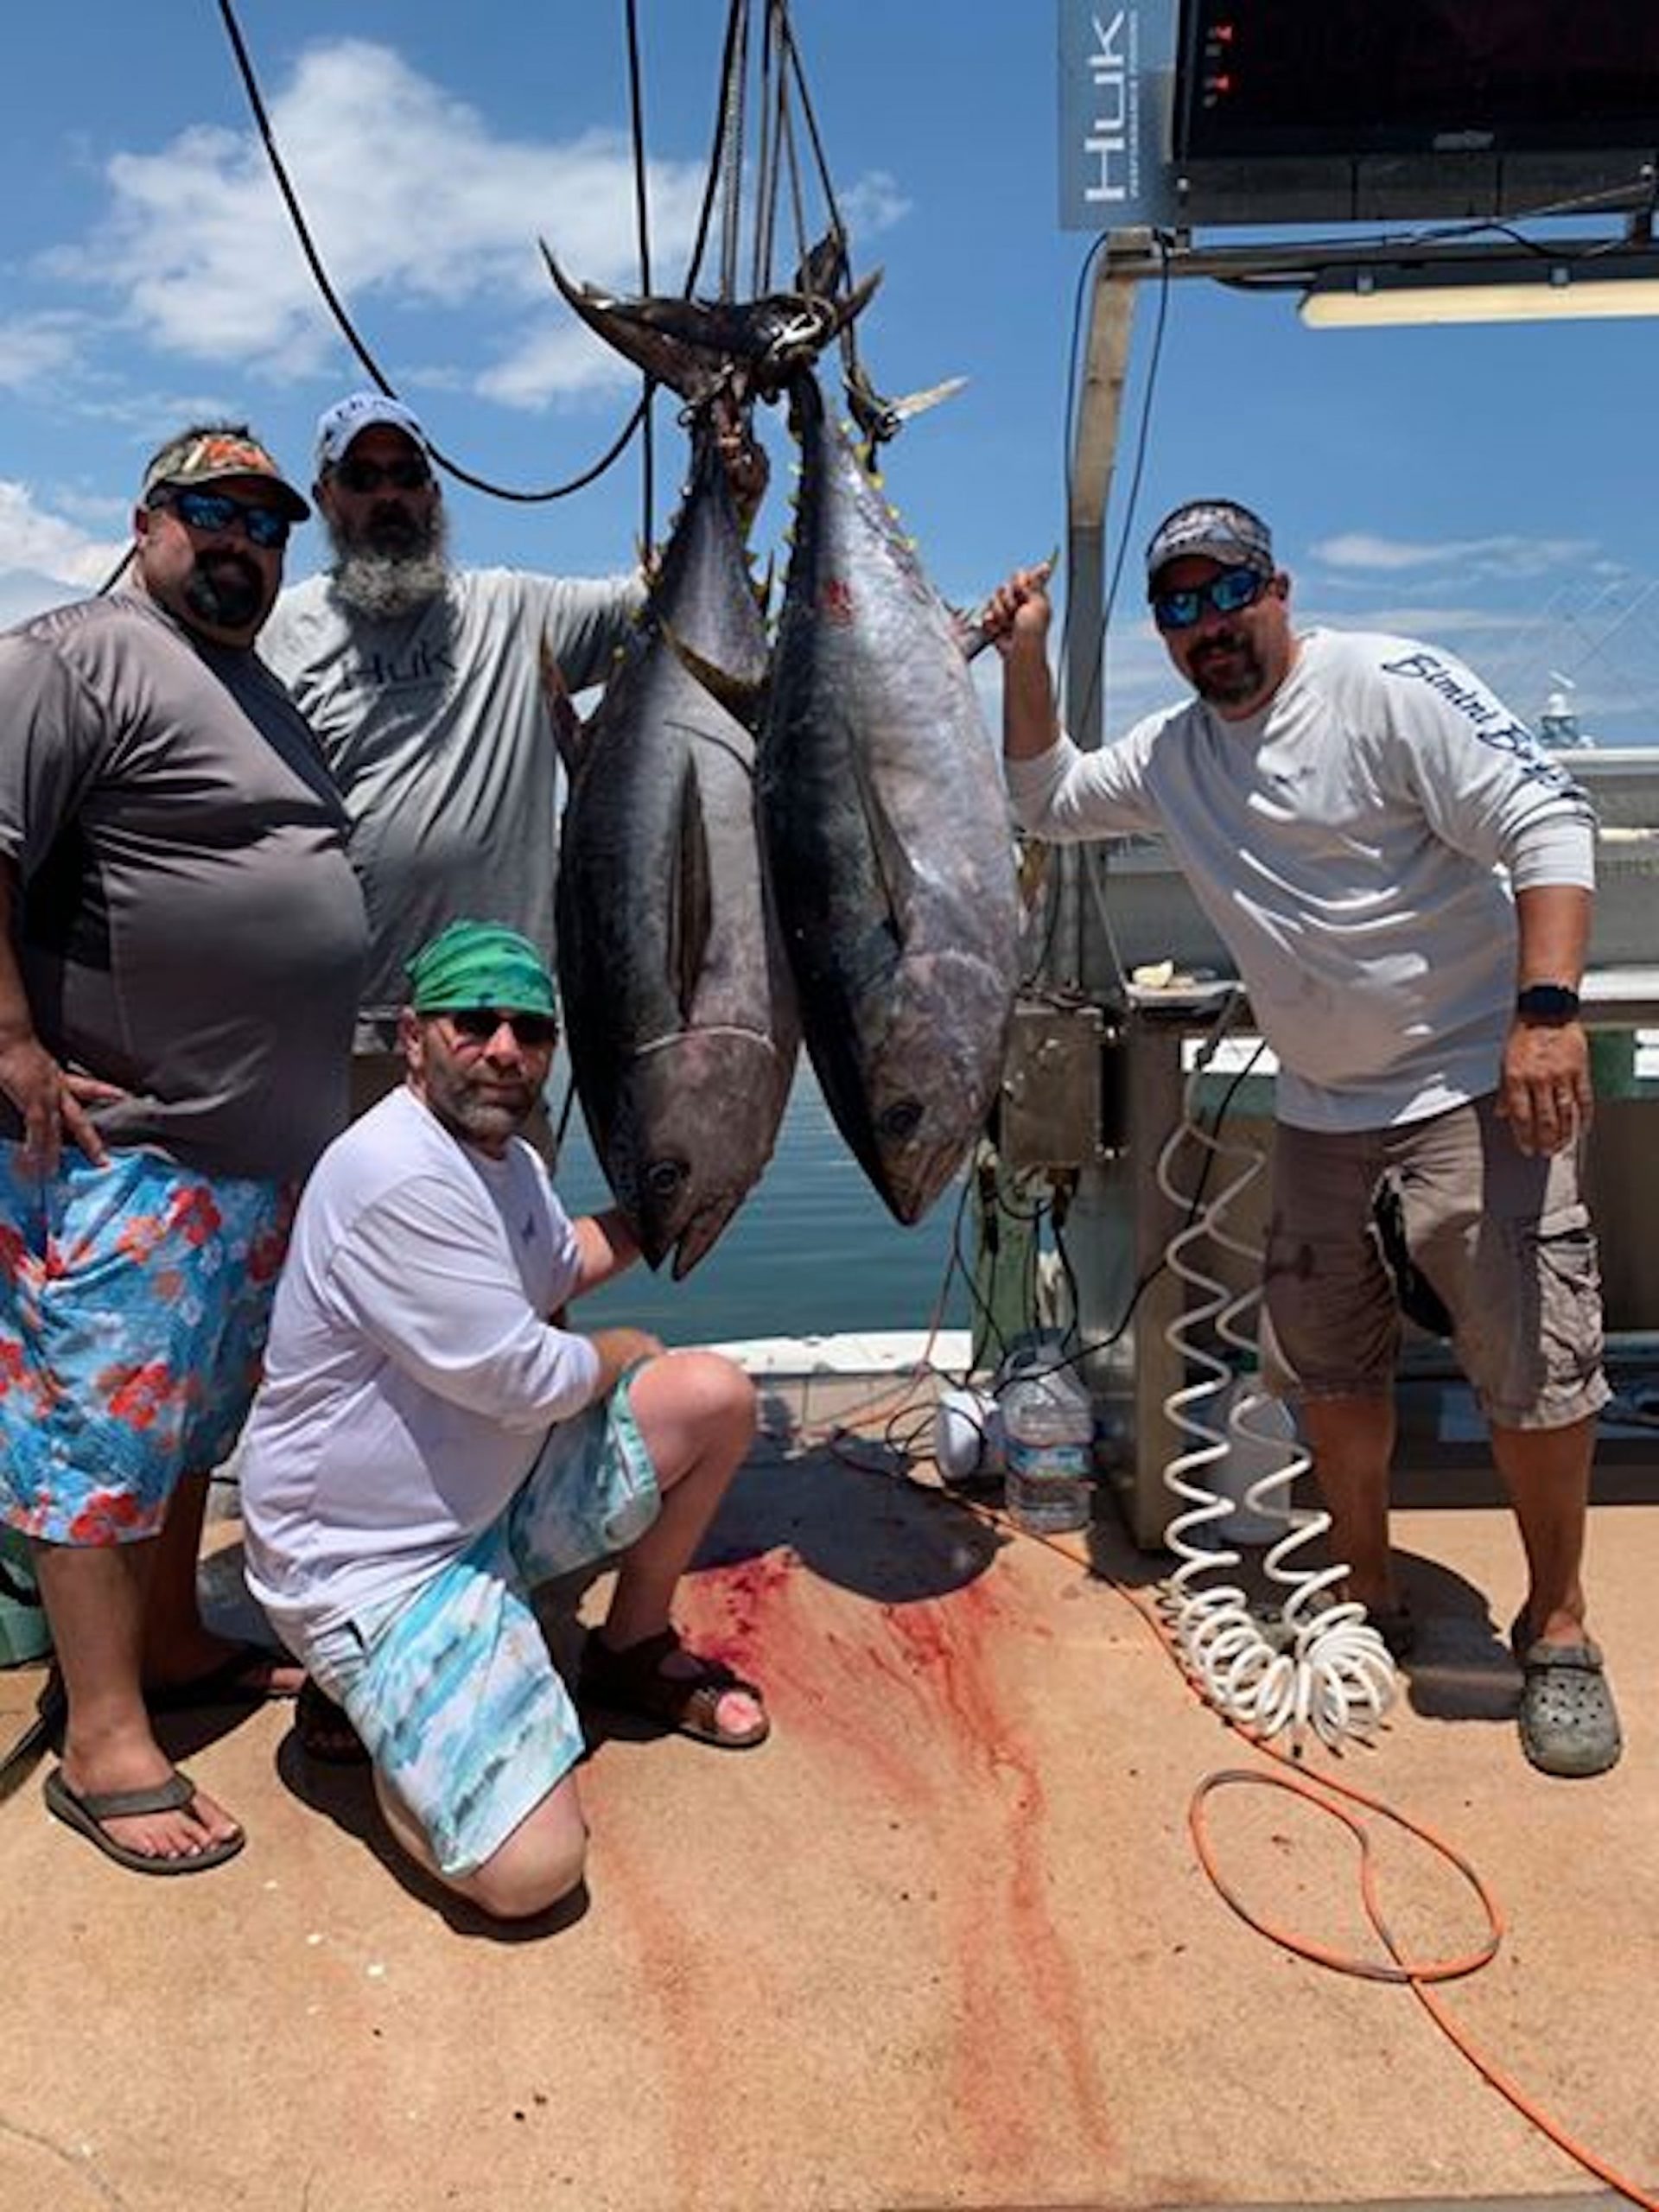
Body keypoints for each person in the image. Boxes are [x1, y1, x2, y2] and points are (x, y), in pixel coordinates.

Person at [984, 497, 1621, 1778]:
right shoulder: (1174, 755)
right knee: (1330, 1374)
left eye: (1230, 592)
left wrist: (1547, 1016)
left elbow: (1549, 821)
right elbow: (1046, 799)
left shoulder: (1386, 685)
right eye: (1180, 606)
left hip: (1472, 1087)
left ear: (1278, 590)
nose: (1209, 624)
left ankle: (1558, 1630)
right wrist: (1028, 649)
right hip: (1323, 1110)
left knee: (1533, 1371)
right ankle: (1364, 1592)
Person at [0, 423, 369, 1872]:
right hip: (125, 1149)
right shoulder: (77, 655)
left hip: (253, 1162)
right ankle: (101, 1742)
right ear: (147, 521)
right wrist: (12, 1044)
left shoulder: (255, 687)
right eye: (211, 512)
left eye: (267, 525)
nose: (241, 544)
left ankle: (166, 1643)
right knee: (98, 1438)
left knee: (187, 1427)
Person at [238, 919, 767, 1921]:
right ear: (411, 1037)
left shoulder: (504, 1158)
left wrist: (674, 1201)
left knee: (715, 1397)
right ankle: (382, 1723)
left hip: (490, 1501)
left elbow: (555, 1261)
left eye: (531, 1029)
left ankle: (628, 1647)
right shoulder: (393, 1171)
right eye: (473, 1022)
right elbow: (524, 1376)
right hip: (373, 1565)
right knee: (533, 1875)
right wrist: (624, 1351)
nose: (504, 1049)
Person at [260, 390, 766, 1126]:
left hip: (504, 1027)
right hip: (345, 1035)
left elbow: (661, 605)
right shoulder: (281, 631)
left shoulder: (514, 608)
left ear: (434, 493)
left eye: (405, 475)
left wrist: (731, 501)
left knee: (508, 1204)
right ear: (326, 499)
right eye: (362, 479)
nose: (388, 495)